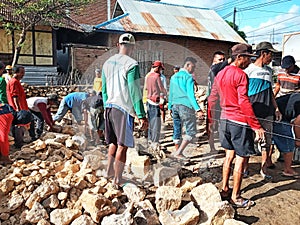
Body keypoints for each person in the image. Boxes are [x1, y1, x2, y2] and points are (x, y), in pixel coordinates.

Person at [208, 43, 265, 208]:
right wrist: (255, 125)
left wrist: (210, 121)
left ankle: (225, 188)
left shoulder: (220, 74)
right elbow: (243, 101)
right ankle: (236, 196)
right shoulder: (240, 75)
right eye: (248, 58)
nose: (249, 62)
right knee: (241, 159)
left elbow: (212, 99)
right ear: (239, 57)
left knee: (228, 156)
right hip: (239, 122)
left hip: (224, 121)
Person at [102, 33, 148, 188]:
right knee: (123, 145)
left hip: (109, 107)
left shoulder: (107, 63)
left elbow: (104, 90)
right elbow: (134, 91)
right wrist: (141, 114)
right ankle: (117, 179)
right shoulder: (131, 64)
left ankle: (108, 171)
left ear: (118, 45)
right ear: (133, 47)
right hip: (123, 109)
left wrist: (106, 106)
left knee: (113, 142)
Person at [244, 41, 282, 179]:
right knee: (249, 140)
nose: (271, 57)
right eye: (270, 54)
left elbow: (271, 92)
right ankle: (245, 168)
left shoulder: (269, 71)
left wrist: (276, 108)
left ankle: (264, 169)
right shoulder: (248, 70)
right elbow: (243, 93)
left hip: (267, 112)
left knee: (267, 141)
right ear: (263, 53)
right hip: (252, 111)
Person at [168, 57, 204, 159]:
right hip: (185, 106)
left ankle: (177, 151)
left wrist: (170, 106)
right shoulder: (188, 77)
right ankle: (179, 152)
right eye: (193, 66)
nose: (194, 69)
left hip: (175, 105)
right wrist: (198, 109)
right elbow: (190, 94)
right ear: (188, 65)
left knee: (176, 129)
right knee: (191, 131)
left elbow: (171, 93)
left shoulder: (174, 77)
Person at [207, 51, 231, 152]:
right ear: (214, 60)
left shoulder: (219, 70)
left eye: (223, 59)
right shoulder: (214, 68)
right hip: (213, 101)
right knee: (211, 124)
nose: (222, 61)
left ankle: (222, 145)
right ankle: (212, 147)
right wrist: (230, 60)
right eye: (220, 59)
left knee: (221, 124)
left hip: (218, 100)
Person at [144, 60, 167, 149]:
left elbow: (146, 88)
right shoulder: (157, 76)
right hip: (155, 101)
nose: (161, 70)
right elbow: (162, 88)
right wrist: (166, 96)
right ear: (157, 68)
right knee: (156, 124)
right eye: (161, 68)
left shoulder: (148, 76)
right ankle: (155, 143)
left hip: (149, 100)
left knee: (150, 122)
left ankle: (150, 140)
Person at [6, 65, 30, 148]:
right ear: (17, 72)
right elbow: (15, 96)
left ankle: (18, 141)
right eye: (22, 73)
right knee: (18, 125)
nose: (23, 74)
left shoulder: (16, 81)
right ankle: (18, 143)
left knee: (19, 125)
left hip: (19, 107)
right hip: (16, 107)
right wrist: (18, 109)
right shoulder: (14, 82)